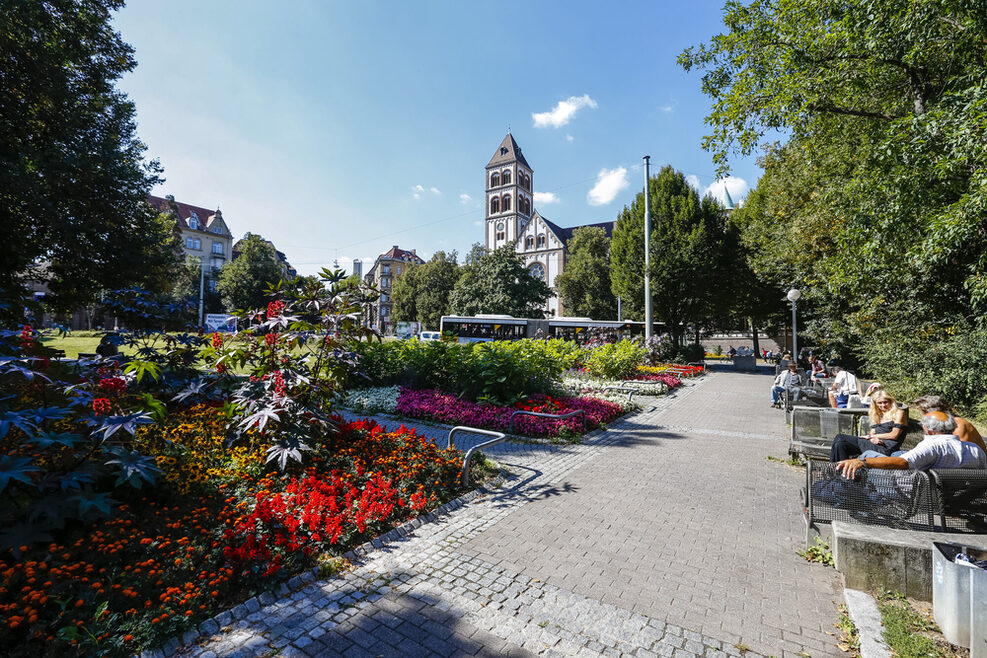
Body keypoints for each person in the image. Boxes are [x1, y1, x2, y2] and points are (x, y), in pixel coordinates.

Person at [836, 411, 987, 479]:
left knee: (868, 455)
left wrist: (861, 462)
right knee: (896, 454)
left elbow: (903, 463)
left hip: (919, 495)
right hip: (952, 497)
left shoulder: (933, 446)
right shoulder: (976, 450)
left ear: (927, 429)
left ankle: (843, 480)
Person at [829, 390, 909, 461]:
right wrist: (872, 438)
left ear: (891, 401)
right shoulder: (878, 414)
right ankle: (841, 472)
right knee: (839, 444)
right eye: (879, 403)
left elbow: (894, 435)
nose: (883, 405)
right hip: (874, 444)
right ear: (875, 404)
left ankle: (831, 469)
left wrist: (872, 437)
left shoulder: (899, 412)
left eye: (885, 402)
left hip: (886, 448)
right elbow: (872, 434)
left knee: (840, 437)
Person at [912, 395, 986, 454]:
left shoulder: (958, 425)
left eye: (923, 414)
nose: (923, 418)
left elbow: (960, 455)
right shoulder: (942, 425)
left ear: (933, 413)